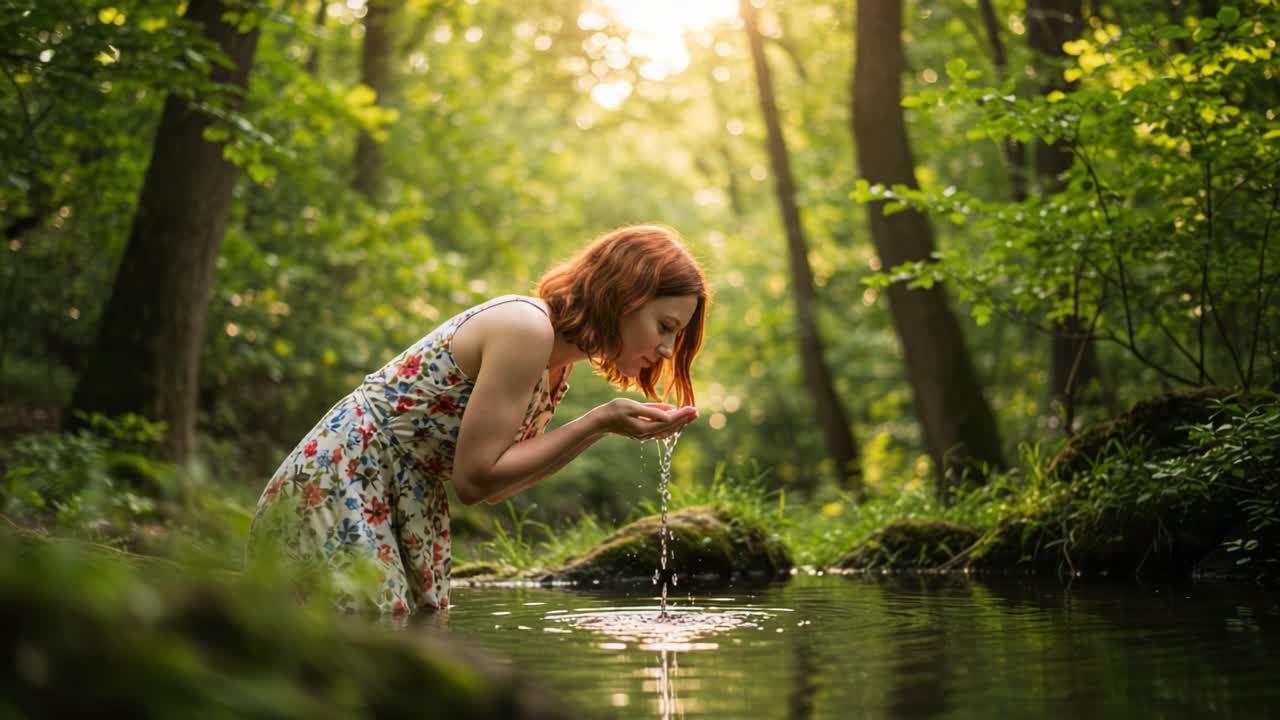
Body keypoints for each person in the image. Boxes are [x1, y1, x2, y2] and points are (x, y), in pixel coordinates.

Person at [248, 223, 708, 614]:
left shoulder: (556, 365)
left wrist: (600, 426)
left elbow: (494, 489)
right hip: (344, 481)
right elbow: (474, 480)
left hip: (401, 493)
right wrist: (599, 421)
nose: (668, 349)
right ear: (623, 297)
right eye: (664, 326)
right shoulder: (525, 328)